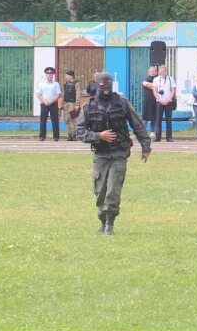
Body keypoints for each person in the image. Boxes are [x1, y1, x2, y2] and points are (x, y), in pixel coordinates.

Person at [76, 72, 151, 235]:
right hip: (101, 154)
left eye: (109, 85)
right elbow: (80, 131)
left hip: (119, 152)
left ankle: (110, 223)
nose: (106, 89)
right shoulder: (89, 107)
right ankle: (102, 221)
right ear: (97, 84)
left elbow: (137, 124)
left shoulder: (122, 103)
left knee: (113, 189)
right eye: (103, 86)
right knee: (100, 190)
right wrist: (98, 136)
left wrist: (146, 146)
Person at [36, 66, 62, 141]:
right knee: (43, 120)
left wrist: (51, 101)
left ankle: (56, 136)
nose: (49, 75)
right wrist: (44, 101)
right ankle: (42, 136)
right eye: (48, 74)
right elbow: (38, 94)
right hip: (44, 104)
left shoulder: (56, 84)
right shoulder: (41, 84)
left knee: (55, 120)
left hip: (53, 104)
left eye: (51, 74)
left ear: (53, 75)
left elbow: (58, 94)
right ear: (46, 74)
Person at [152, 65, 177, 142]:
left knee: (168, 120)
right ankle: (157, 137)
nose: (162, 72)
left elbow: (173, 90)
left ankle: (169, 137)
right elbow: (154, 90)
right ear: (159, 71)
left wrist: (169, 99)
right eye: (161, 71)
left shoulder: (170, 79)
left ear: (166, 71)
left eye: (164, 71)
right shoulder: (156, 79)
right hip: (159, 102)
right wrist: (159, 99)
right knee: (158, 119)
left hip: (168, 102)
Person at [61, 70, 82, 141]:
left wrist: (77, 104)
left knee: (73, 119)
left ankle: (74, 135)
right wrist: (62, 103)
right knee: (66, 119)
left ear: (71, 76)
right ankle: (69, 135)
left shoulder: (76, 83)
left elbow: (78, 93)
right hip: (66, 103)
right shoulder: (65, 84)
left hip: (72, 103)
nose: (66, 77)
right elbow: (63, 94)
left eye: (67, 75)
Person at [141, 66, 158, 135]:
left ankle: (153, 131)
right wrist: (155, 86)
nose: (152, 72)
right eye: (151, 71)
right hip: (147, 101)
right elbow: (145, 83)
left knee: (154, 117)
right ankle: (143, 132)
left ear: (156, 72)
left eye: (154, 71)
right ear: (149, 72)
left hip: (156, 100)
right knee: (145, 117)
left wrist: (152, 86)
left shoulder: (158, 78)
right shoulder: (146, 78)